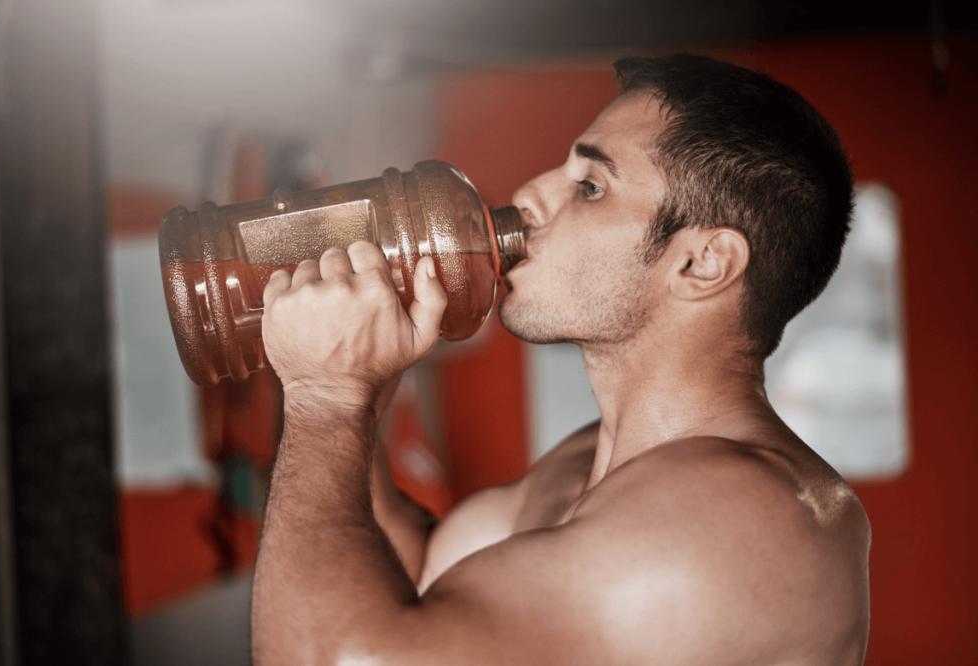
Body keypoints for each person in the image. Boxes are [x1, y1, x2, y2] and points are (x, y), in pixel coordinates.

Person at [251, 53, 871, 666]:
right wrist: (361, 392)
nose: (529, 196)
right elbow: (423, 576)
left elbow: (337, 655)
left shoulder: (745, 520)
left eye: (591, 187)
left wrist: (325, 398)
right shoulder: (595, 458)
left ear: (702, 263)